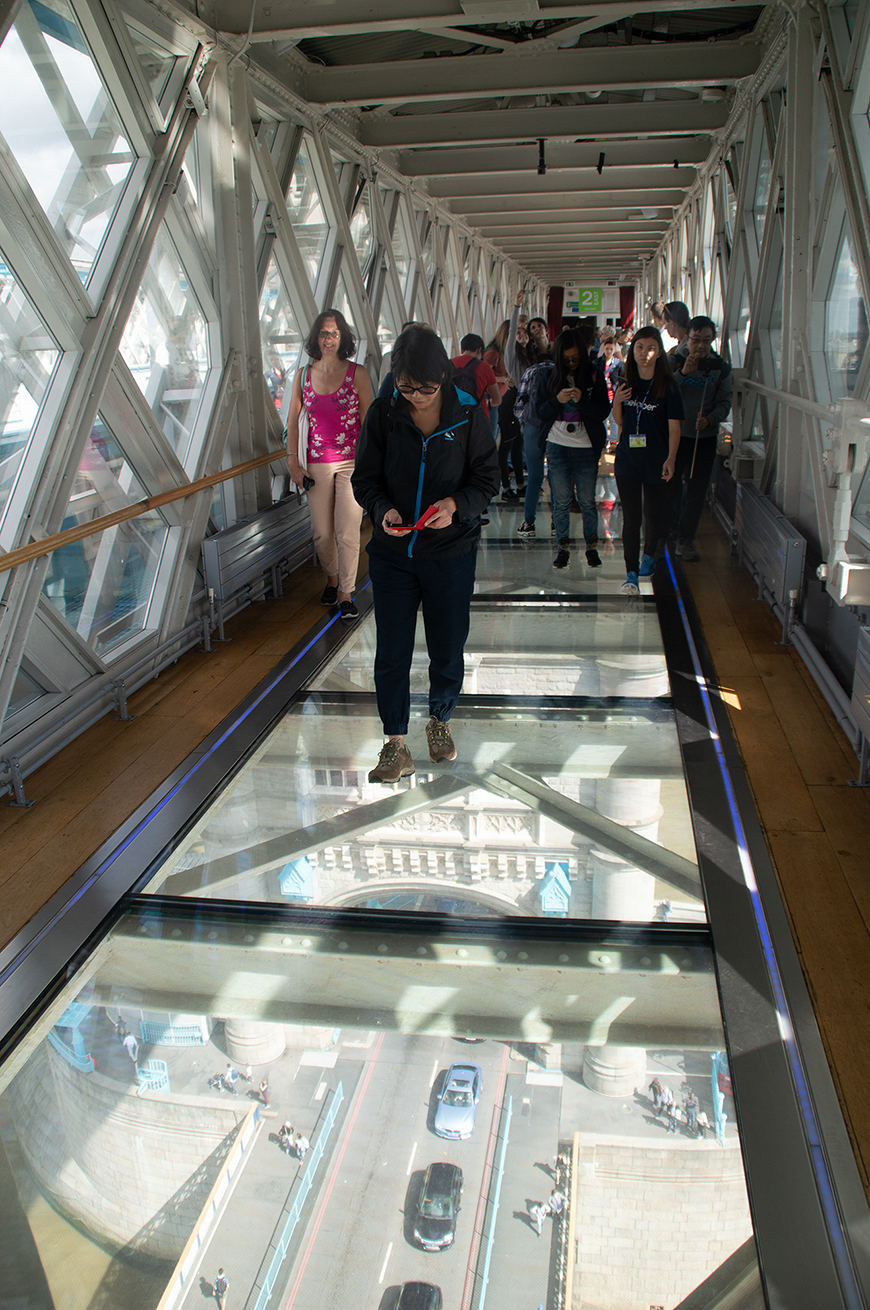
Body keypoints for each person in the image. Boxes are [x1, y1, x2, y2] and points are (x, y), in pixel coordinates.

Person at [352, 326, 499, 783]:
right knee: (391, 651)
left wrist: (454, 507)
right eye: (405, 386)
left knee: (447, 643)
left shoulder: (469, 415)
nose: (415, 396)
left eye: (426, 387)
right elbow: (365, 479)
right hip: (393, 555)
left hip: (450, 552)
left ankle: (440, 721)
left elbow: (486, 480)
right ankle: (395, 744)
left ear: (443, 374)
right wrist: (382, 509)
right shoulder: (383, 414)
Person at [286, 308, 372, 622]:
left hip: (352, 463)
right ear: (315, 337)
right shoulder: (303, 376)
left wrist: (371, 465)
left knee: (347, 531)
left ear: (343, 337)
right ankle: (333, 578)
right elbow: (293, 424)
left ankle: (346, 593)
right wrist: (294, 466)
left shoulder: (357, 373)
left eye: (334, 333)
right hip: (317, 463)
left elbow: (370, 423)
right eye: (324, 333)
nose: (329, 339)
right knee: (322, 533)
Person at [611, 327, 683, 594]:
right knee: (632, 518)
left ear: (659, 351)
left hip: (656, 459)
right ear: (633, 350)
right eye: (640, 347)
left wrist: (671, 458)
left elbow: (674, 428)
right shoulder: (625, 382)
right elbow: (619, 421)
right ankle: (630, 574)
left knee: (654, 515)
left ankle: (649, 554)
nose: (645, 354)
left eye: (651, 348)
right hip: (628, 460)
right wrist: (617, 401)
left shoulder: (669, 385)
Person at [537, 328, 610, 571]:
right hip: (557, 446)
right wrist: (557, 400)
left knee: (587, 500)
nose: (571, 363)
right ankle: (563, 548)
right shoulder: (548, 375)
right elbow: (540, 412)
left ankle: (591, 547)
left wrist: (583, 401)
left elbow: (602, 412)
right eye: (566, 359)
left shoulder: (593, 375)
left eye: (576, 359)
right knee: (561, 501)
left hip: (585, 447)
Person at [670, 316, 733, 561]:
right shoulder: (674, 360)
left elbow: (725, 401)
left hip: (703, 437)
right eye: (696, 340)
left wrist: (710, 419)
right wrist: (684, 372)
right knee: (671, 486)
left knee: (697, 489)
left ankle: (686, 539)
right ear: (687, 338)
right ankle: (669, 528)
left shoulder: (720, 367)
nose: (701, 346)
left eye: (706, 341)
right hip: (675, 435)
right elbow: (663, 390)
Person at [451, 333, 502, 422]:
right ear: (480, 350)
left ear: (461, 350)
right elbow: (497, 400)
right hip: (478, 419)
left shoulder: (448, 365)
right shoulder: (484, 367)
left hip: (454, 418)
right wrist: (486, 403)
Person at [483, 322, 513, 444]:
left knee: (496, 430)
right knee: (492, 432)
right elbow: (485, 376)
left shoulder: (504, 352)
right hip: (490, 396)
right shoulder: (493, 353)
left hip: (499, 396)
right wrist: (503, 379)